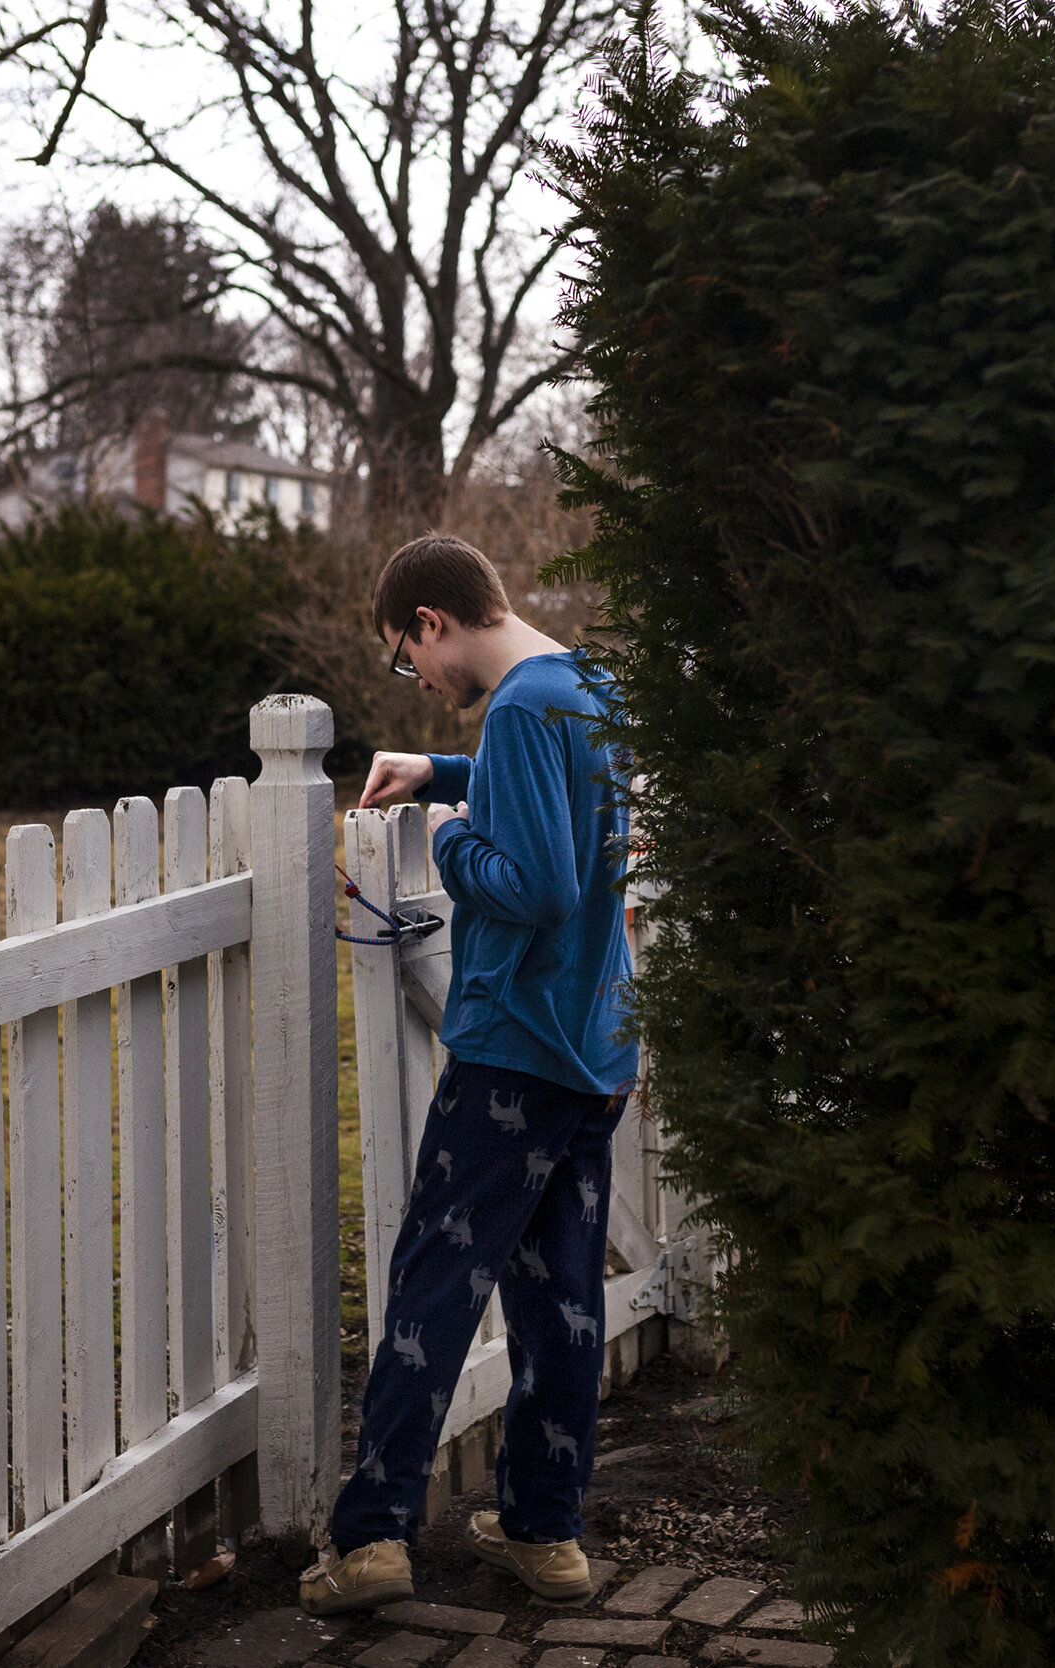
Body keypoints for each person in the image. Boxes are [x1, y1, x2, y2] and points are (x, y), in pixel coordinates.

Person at [300, 534, 638, 1614]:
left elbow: (531, 884)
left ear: (432, 622)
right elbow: (559, 801)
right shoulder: (584, 683)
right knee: (560, 1300)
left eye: (410, 658)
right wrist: (443, 770)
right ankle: (546, 1533)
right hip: (595, 1046)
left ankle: (372, 1541)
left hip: (513, 1051)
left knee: (435, 1287)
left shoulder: (520, 706)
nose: (421, 679)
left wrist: (447, 834)